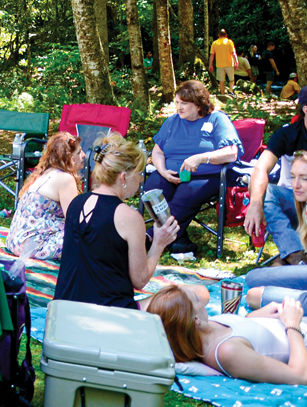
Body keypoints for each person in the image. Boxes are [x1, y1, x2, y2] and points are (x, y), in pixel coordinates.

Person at [54, 134, 180, 309]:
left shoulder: (76, 203)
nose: (141, 179)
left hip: (64, 310)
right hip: (110, 315)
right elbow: (140, 280)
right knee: (194, 295)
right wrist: (159, 243)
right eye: (138, 173)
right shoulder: (129, 217)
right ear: (123, 178)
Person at [145, 80, 241, 256]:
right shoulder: (172, 122)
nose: (179, 108)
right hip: (171, 173)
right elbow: (157, 152)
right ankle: (178, 238)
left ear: (198, 104)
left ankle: (150, 237)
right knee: (153, 189)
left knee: (187, 193)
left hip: (206, 176)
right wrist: (163, 171)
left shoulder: (217, 119)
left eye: (184, 103)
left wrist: (201, 158)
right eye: (177, 103)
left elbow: (231, 153)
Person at [146, 285, 307, 384]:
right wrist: (293, 324)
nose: (202, 298)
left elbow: (244, 335)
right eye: (197, 299)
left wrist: (257, 315)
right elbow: (299, 376)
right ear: (195, 320)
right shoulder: (227, 352)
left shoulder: (206, 328)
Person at [245, 92, 307, 265]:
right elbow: (260, 168)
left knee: (276, 267)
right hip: (294, 200)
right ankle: (296, 255)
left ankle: (286, 261)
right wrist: (255, 204)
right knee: (266, 191)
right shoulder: (287, 134)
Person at [6, 131, 85, 261]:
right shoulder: (65, 178)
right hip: (33, 246)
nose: (83, 156)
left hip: (15, 241)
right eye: (79, 153)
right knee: (91, 237)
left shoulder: (44, 173)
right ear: (69, 158)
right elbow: (74, 220)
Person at [209, 29, 239, 95]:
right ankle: (231, 91)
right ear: (226, 35)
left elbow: (212, 55)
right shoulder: (229, 42)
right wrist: (236, 62)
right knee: (231, 79)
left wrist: (210, 65)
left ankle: (223, 94)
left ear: (218, 35)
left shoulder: (215, 43)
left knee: (221, 81)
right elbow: (233, 53)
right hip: (229, 64)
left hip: (219, 65)